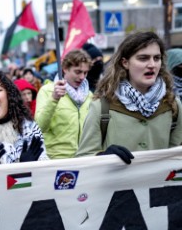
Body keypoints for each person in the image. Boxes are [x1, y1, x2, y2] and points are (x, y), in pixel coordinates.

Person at [76, 31, 182, 164]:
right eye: (143, 58)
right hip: (117, 184)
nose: (152, 64)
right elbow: (83, 159)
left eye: (156, 58)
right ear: (125, 63)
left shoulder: (173, 105)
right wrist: (102, 156)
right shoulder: (102, 106)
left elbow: (176, 160)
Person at [35, 49, 93, 159]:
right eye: (78, 72)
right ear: (65, 69)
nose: (82, 77)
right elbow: (40, 128)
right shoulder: (47, 91)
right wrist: (54, 99)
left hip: (85, 159)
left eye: (85, 72)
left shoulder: (89, 95)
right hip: (57, 160)